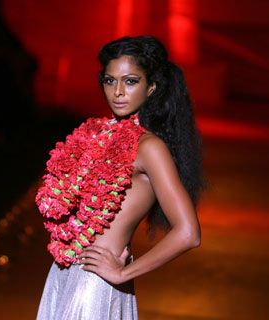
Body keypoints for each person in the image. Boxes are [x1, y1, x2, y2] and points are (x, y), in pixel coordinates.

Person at [35, 35, 204, 319]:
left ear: (151, 87)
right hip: (61, 275)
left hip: (95, 283)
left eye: (130, 81)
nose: (118, 92)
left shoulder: (150, 147)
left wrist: (123, 272)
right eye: (110, 80)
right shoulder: (96, 135)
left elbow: (188, 233)